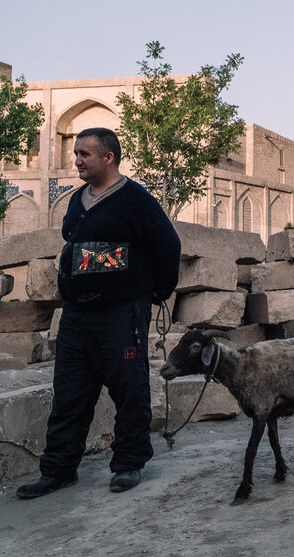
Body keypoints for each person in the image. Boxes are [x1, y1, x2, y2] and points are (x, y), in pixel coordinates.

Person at [17, 127, 181, 498]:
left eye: (85, 154)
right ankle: (58, 469)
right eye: (76, 153)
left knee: (128, 387)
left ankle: (128, 463)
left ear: (108, 158)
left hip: (120, 316)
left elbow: (168, 245)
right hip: (77, 315)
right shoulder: (77, 200)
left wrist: (157, 292)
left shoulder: (136, 200)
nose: (76, 160)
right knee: (70, 393)